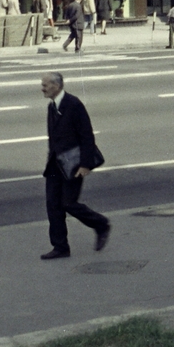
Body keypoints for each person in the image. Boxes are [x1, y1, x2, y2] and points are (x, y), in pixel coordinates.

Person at [39, 72, 109, 259]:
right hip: (55, 164)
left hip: (73, 164)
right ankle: (60, 247)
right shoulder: (52, 106)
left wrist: (85, 165)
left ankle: (100, 224)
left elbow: (87, 135)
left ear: (57, 85)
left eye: (45, 85)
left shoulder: (74, 104)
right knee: (53, 206)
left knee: (69, 203)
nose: (42, 88)